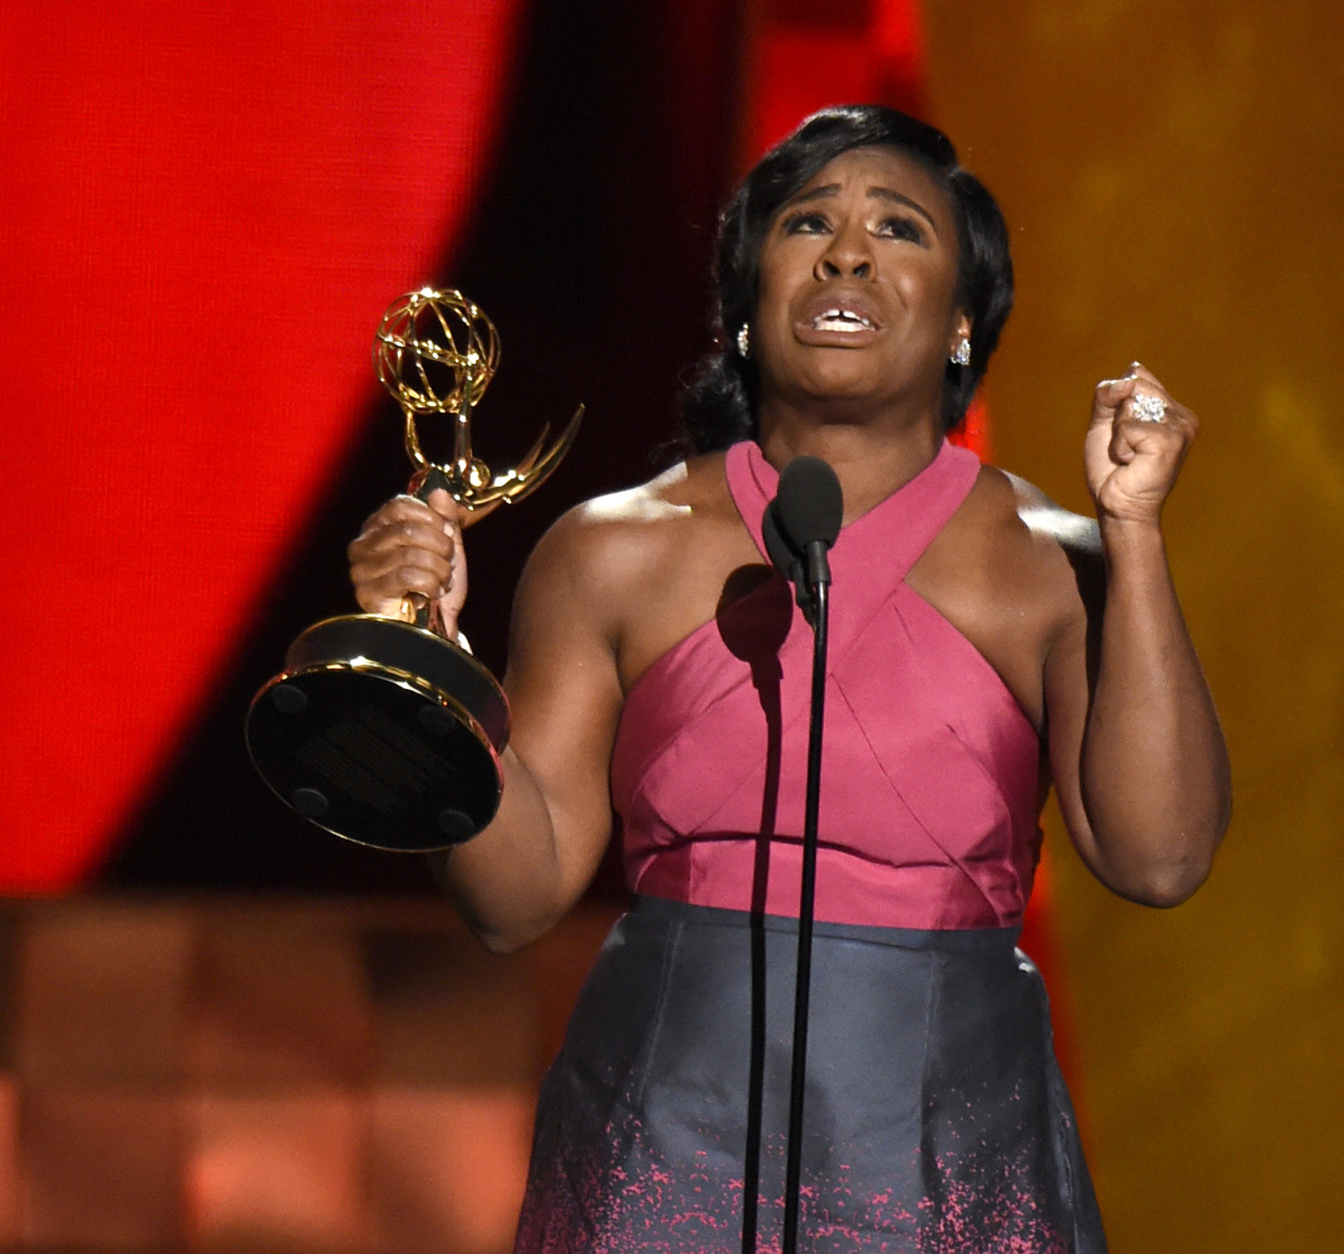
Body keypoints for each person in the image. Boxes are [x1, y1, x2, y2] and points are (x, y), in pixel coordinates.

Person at [349, 105, 1230, 1254]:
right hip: (659, 1161)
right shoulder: (611, 552)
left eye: (900, 228)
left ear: (963, 322)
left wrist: (1136, 533)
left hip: (953, 1167)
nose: (848, 252)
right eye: (808, 222)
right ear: (746, 306)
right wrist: (431, 657)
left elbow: (1160, 858)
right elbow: (511, 903)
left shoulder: (1057, 565)